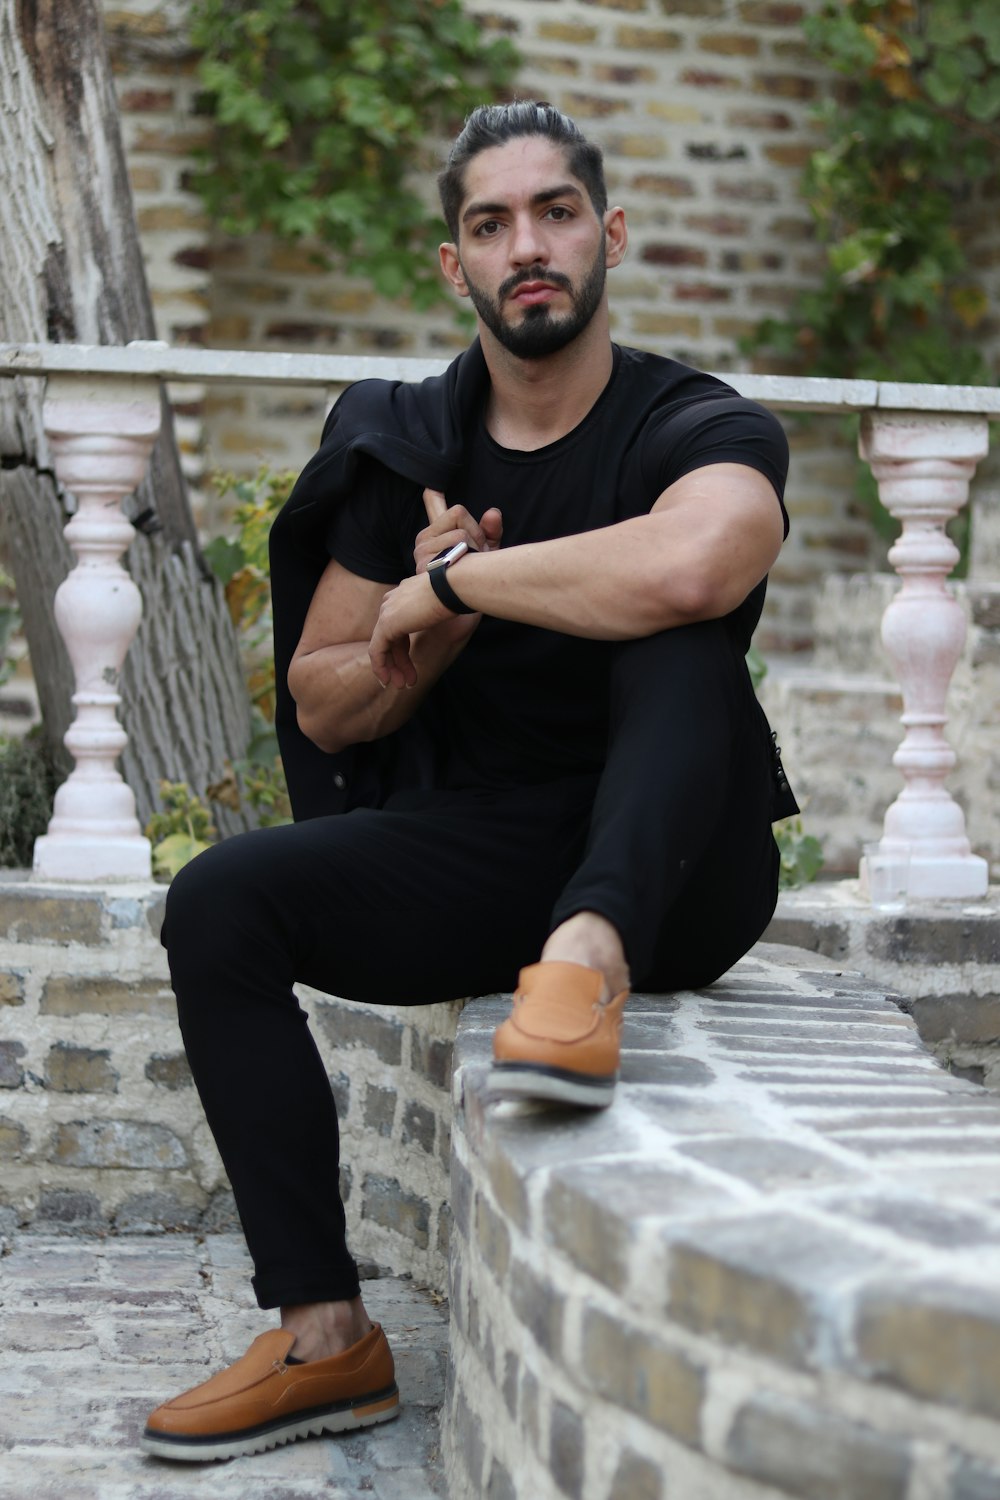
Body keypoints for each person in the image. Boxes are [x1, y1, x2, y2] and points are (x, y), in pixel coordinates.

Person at [141, 100, 796, 1463]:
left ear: (609, 233)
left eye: (555, 212)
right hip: (485, 847)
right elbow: (323, 695)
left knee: (676, 637)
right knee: (217, 904)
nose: (528, 246)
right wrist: (425, 642)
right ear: (457, 266)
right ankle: (325, 1340)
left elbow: (697, 566)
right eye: (490, 225)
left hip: (681, 867)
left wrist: (455, 580)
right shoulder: (407, 437)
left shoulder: (697, 422)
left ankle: (588, 951)